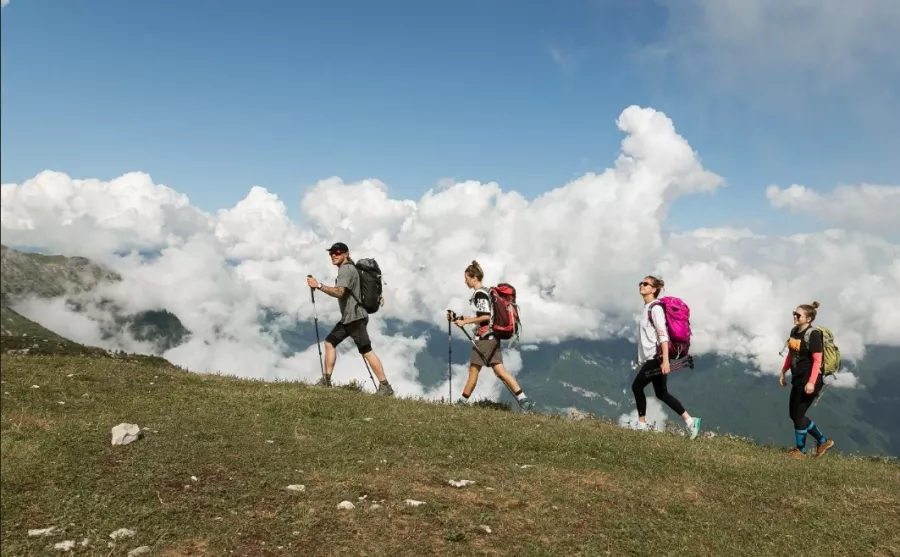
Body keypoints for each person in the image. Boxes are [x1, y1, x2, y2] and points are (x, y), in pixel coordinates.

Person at [306, 242, 394, 396]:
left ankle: (385, 387)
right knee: (329, 343)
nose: (333, 255)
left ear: (346, 254)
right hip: (349, 318)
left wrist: (319, 285)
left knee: (366, 351)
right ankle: (326, 381)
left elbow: (340, 292)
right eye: (331, 253)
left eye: (337, 252)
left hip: (356, 318)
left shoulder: (346, 270)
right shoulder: (349, 268)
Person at [452, 260, 534, 411]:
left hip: (484, 340)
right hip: (492, 338)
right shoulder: (485, 292)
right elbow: (482, 316)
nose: (465, 281)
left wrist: (466, 322)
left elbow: (485, 316)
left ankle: (460, 404)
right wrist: (459, 319)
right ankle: (524, 400)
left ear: (474, 277)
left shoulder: (480, 294)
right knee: (500, 371)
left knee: (473, 371)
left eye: (467, 278)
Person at [631, 275, 701, 439]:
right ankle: (691, 421)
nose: (641, 285)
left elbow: (663, 335)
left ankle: (641, 424)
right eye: (641, 283)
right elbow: (647, 336)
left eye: (646, 284)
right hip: (652, 357)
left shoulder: (655, 309)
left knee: (636, 387)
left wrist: (664, 361)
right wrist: (640, 357)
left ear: (654, 289)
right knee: (662, 393)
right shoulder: (647, 308)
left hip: (657, 357)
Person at [779, 301, 835, 457]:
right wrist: (784, 371)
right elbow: (792, 354)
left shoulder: (813, 335)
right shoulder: (794, 332)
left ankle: (801, 451)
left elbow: (817, 360)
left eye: (798, 315)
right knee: (794, 414)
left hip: (811, 380)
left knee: (798, 414)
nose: (795, 317)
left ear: (808, 319)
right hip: (798, 378)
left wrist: (811, 382)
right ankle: (823, 441)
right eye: (794, 314)